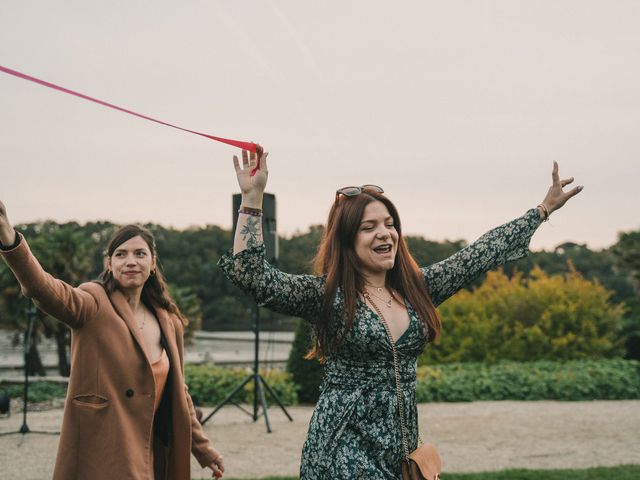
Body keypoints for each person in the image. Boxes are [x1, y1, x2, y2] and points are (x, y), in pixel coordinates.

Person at [218, 149, 582, 479]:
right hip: (342, 449)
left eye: (390, 223)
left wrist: (541, 211)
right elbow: (253, 277)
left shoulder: (417, 289)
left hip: (399, 450)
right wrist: (252, 199)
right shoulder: (326, 296)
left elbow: (481, 253)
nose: (385, 233)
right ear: (347, 240)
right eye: (369, 226)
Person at [0, 213, 225, 480]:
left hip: (150, 452)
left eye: (140, 254)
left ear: (153, 263)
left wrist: (204, 450)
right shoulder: (93, 302)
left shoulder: (169, 321)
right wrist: (9, 239)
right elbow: (44, 289)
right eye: (121, 254)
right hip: (104, 451)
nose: (131, 261)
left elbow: (180, 394)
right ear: (109, 263)